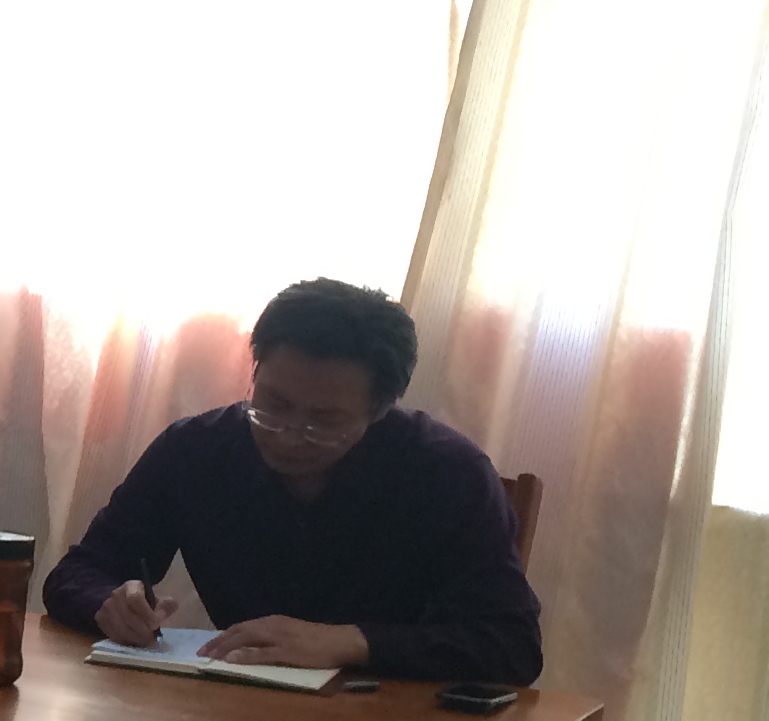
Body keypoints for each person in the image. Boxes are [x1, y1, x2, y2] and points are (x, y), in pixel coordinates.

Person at [42, 278, 543, 683]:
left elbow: (511, 645)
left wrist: (352, 642)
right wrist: (110, 604)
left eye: (325, 421)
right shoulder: (196, 450)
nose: (288, 435)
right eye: (273, 404)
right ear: (254, 372)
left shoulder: (447, 474)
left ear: (378, 410)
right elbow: (77, 573)